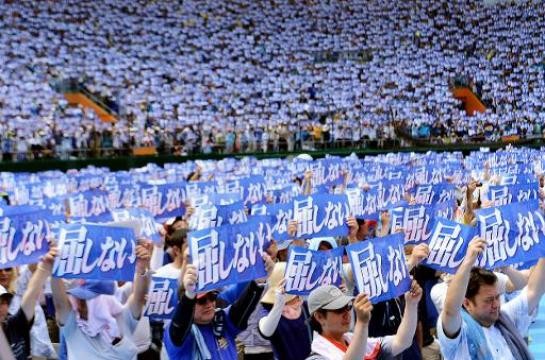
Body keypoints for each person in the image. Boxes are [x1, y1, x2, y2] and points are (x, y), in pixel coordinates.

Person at [439, 236, 545, 359]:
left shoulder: (505, 317)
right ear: (467, 304)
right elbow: (450, 311)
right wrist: (468, 262)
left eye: (497, 297)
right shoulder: (461, 335)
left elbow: (533, 290)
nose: (496, 304)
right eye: (488, 300)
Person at [50, 242, 152, 360]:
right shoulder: (73, 326)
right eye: (79, 297)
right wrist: (55, 269)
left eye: (87, 299)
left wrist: (141, 267)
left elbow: (139, 297)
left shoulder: (122, 318)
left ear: (105, 300)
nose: (80, 303)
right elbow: (60, 303)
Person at [164, 255, 273, 360]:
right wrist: (189, 295)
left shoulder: (221, 319)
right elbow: (180, 326)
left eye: (212, 297)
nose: (209, 304)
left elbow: (242, 309)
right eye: (201, 300)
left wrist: (258, 282)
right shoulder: (176, 333)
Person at [306, 282, 422, 360]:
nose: (346, 314)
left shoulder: (353, 340)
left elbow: (402, 342)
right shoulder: (316, 357)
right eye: (339, 310)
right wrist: (362, 323)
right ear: (319, 317)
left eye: (348, 307)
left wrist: (411, 304)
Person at [1, 245, 58, 360]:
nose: (3, 273)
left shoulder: (14, 323)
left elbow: (33, 279)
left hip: (40, 352)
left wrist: (42, 252)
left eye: (5, 301)